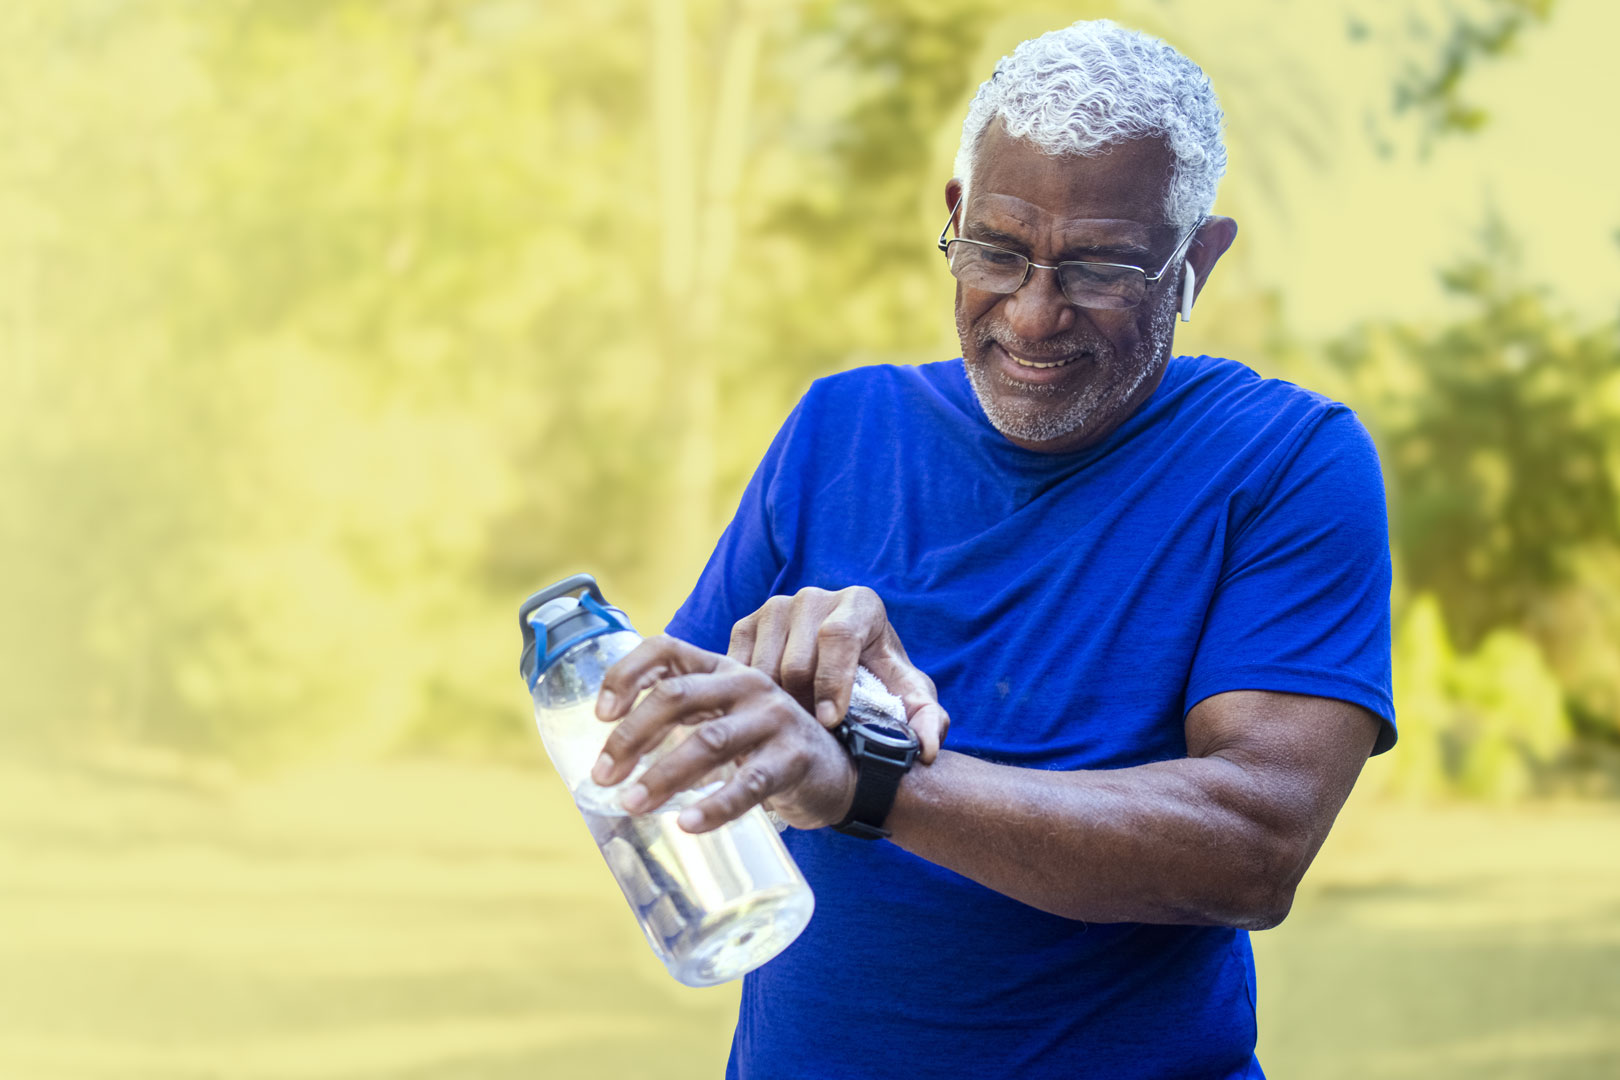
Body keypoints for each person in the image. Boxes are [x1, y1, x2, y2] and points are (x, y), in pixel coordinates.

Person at [590, 19, 1394, 1080]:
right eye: (999, 252)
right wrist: (760, 698)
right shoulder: (838, 428)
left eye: (1100, 267)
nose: (1033, 312)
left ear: (1197, 257)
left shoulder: (1289, 460)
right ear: (956, 216)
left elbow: (1254, 844)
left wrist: (869, 779)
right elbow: (664, 777)